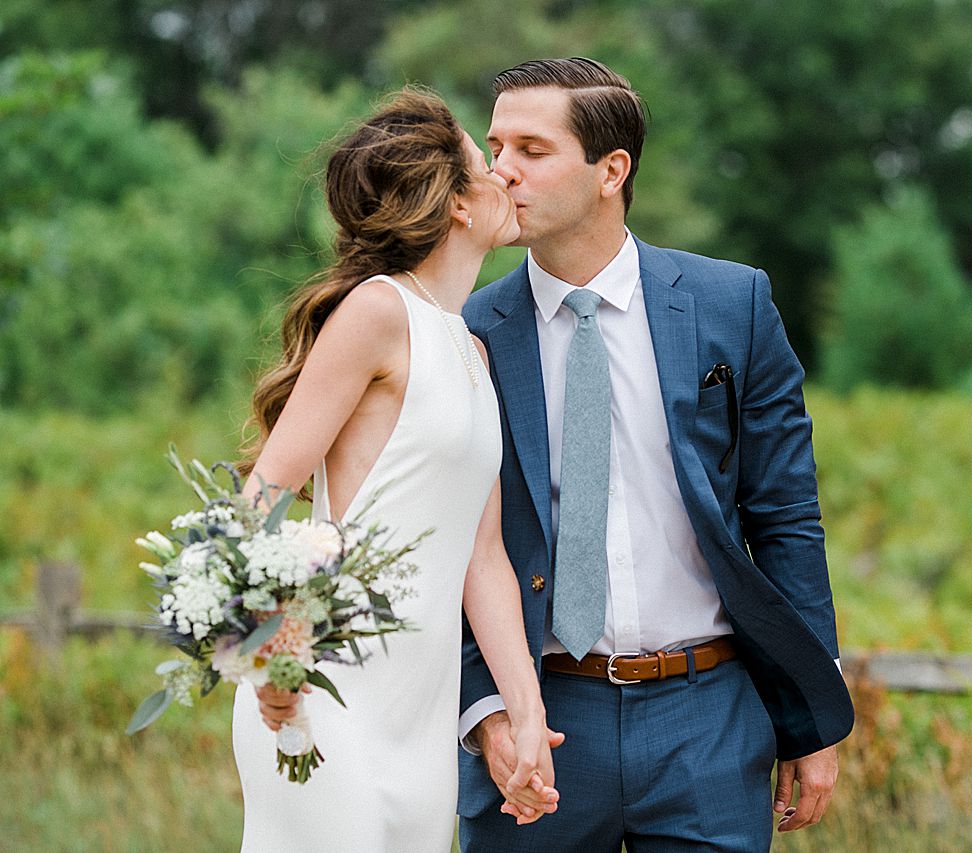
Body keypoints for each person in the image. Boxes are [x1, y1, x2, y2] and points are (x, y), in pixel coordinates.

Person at [457, 57, 855, 851]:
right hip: (542, 721)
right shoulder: (466, 330)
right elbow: (455, 542)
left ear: (612, 170)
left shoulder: (732, 305)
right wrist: (485, 712)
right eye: (496, 148)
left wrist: (814, 708)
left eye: (531, 151)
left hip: (706, 715)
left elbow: (784, 514)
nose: (501, 172)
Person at [232, 88, 560, 852]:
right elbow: (263, 494)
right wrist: (263, 647)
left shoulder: (472, 349)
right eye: (488, 164)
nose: (506, 177)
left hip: (422, 708)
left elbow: (484, 557)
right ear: (452, 205)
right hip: (328, 685)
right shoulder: (377, 312)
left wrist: (527, 714)